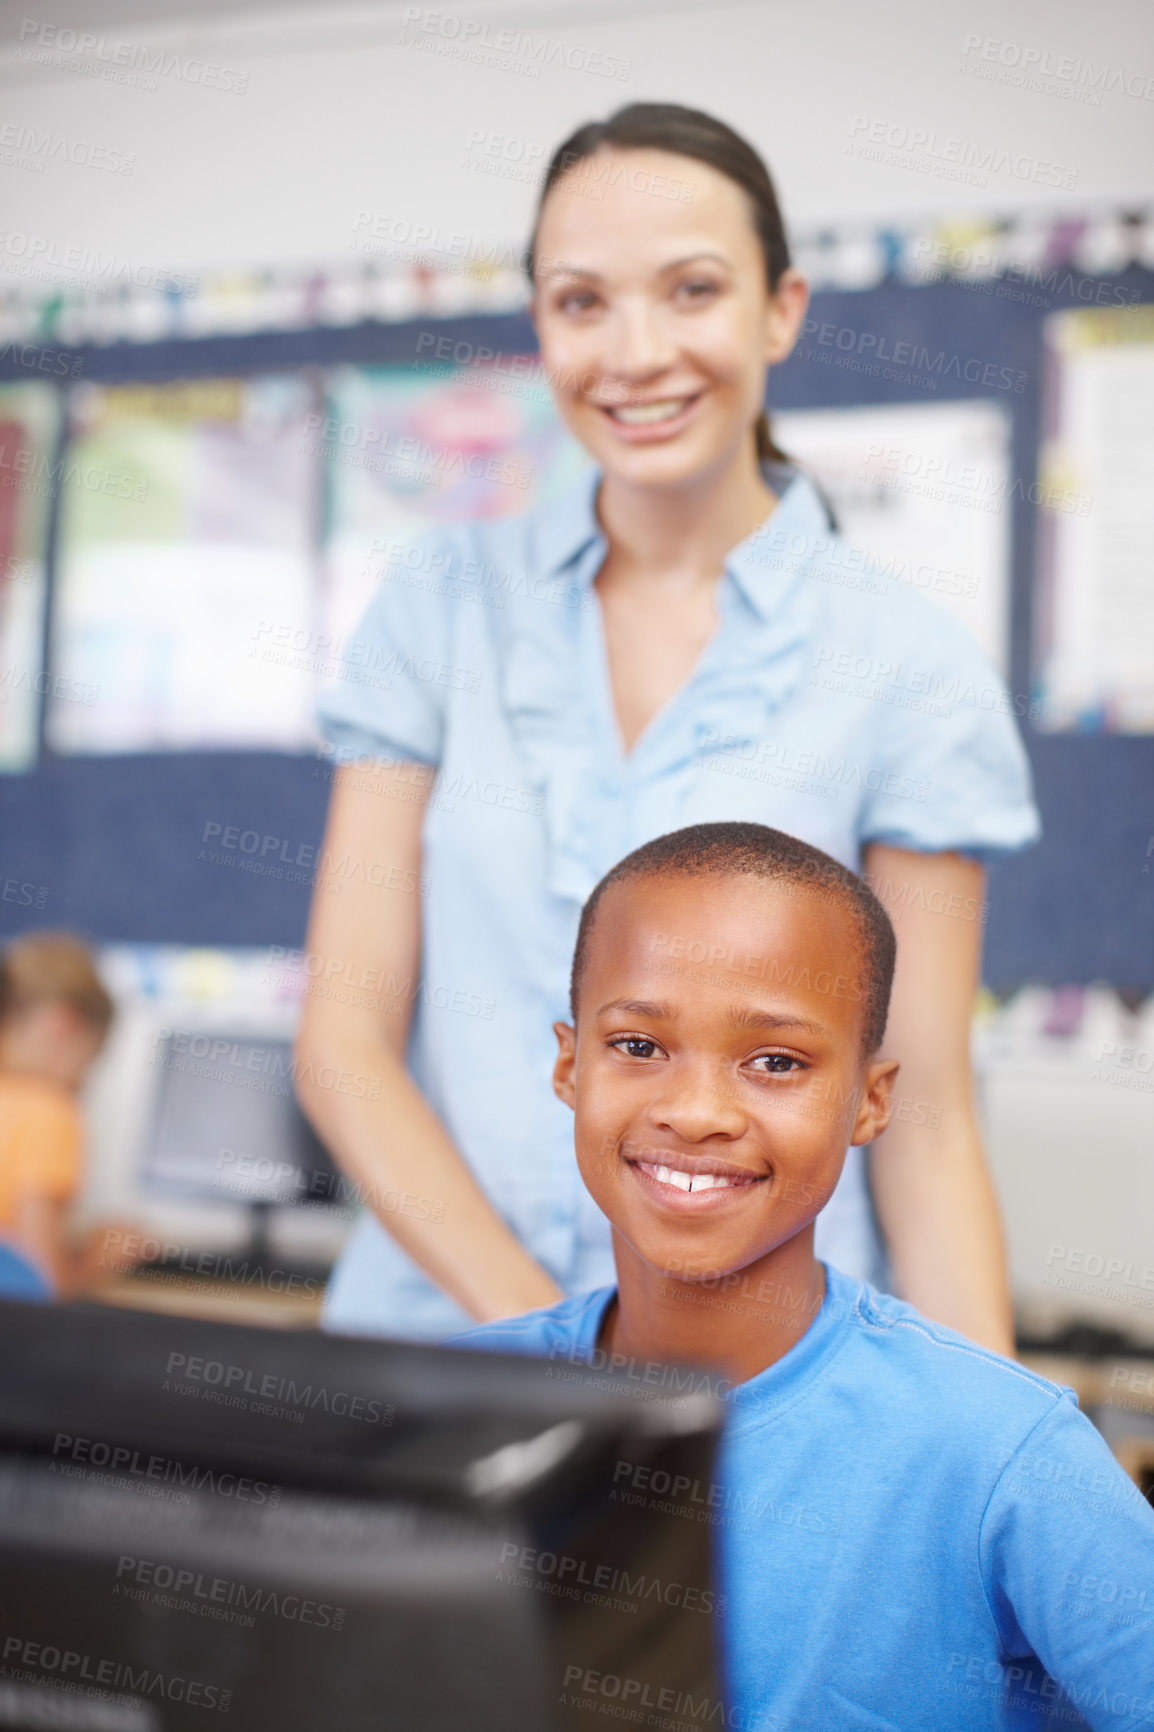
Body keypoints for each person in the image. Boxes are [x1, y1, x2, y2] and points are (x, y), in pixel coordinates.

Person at [298, 102, 1039, 1352]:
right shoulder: (437, 606)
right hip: (433, 1354)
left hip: (756, 1380)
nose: (633, 353)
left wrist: (989, 1456)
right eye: (580, 302)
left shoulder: (909, 665)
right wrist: (561, 1351)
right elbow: (344, 1042)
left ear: (779, 310)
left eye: (690, 289)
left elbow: (919, 1122)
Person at [450, 822, 1154, 1730]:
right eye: (637, 1046)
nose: (696, 1112)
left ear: (870, 1099)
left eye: (775, 1062)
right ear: (568, 1065)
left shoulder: (1003, 1454)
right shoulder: (456, 1409)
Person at [0, 931, 114, 1296]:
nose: (81, 1087)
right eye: (88, 1063)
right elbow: (47, 1287)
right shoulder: (47, 1112)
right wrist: (104, 1258)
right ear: (61, 1025)